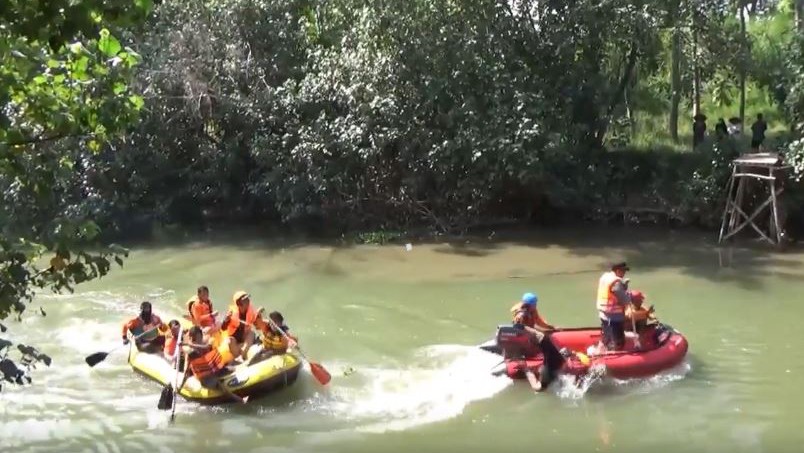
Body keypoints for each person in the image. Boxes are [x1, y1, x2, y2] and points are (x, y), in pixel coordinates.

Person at [510, 292, 564, 392]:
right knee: (544, 342)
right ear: (531, 304)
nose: (536, 305)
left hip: (530, 335)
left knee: (545, 339)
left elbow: (539, 322)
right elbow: (519, 331)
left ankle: (550, 365)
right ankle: (545, 369)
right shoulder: (521, 316)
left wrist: (551, 328)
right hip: (525, 339)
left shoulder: (531, 310)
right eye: (535, 303)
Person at [182, 326, 248, 404]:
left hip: (215, 370)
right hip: (205, 377)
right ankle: (240, 400)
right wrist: (182, 384)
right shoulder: (190, 352)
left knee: (233, 368)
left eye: (200, 337)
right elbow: (186, 368)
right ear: (193, 338)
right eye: (197, 338)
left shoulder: (205, 342)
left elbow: (206, 347)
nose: (199, 339)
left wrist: (190, 344)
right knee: (220, 386)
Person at [221, 291, 268, 361]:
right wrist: (226, 320)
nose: (248, 301)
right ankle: (238, 357)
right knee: (230, 341)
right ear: (239, 303)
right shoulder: (232, 313)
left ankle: (243, 355)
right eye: (245, 300)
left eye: (248, 299)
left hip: (245, 335)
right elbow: (223, 328)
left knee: (251, 333)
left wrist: (259, 316)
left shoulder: (251, 309)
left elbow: (257, 325)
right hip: (234, 338)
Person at [596, 262, 631, 351]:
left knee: (607, 333)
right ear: (617, 270)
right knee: (618, 338)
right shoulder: (616, 281)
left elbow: (611, 290)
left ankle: (604, 347)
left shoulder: (605, 276)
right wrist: (629, 299)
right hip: (614, 314)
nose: (624, 273)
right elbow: (620, 294)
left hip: (603, 311)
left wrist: (623, 285)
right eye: (623, 271)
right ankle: (616, 352)